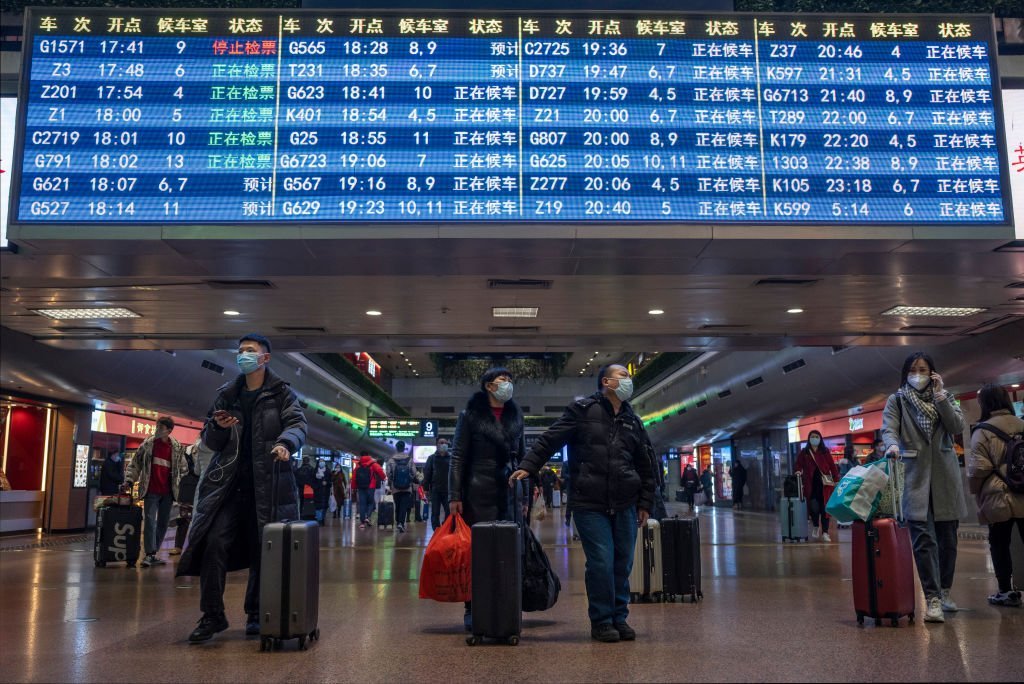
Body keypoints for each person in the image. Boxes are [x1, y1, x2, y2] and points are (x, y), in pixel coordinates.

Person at [176, 333, 307, 643]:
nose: (243, 355)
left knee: (264, 549)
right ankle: (212, 615)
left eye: (250, 350)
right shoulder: (227, 394)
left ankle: (256, 614)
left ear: (265, 358)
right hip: (229, 487)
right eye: (241, 351)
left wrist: (286, 443)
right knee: (213, 544)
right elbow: (211, 441)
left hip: (268, 484)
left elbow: (298, 424)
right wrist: (216, 427)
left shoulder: (281, 394)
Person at [511, 364, 656, 644]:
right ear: (607, 381)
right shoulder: (582, 410)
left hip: (626, 502)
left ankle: (619, 617)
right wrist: (529, 466)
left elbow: (646, 465)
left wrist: (645, 502)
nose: (628, 381)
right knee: (601, 561)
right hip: (590, 502)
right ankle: (601, 620)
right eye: (623, 376)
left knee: (622, 563)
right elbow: (549, 439)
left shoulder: (633, 421)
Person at [882, 352, 967, 624]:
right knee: (923, 539)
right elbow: (889, 429)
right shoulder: (897, 400)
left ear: (933, 373)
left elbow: (956, 425)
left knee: (948, 540)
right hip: (915, 478)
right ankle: (931, 598)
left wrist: (941, 396)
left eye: (924, 369)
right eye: (914, 369)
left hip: (944, 478)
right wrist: (892, 445)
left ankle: (944, 591)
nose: (918, 374)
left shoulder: (947, 397)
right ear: (906, 372)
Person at [449, 367, 526, 633]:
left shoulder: (517, 417)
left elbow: (523, 459)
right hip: (477, 490)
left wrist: (524, 494)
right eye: (503, 380)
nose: (508, 385)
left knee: (508, 552)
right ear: (489, 386)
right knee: (479, 553)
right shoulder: (469, 416)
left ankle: (505, 605)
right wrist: (454, 496)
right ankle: (474, 608)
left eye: (510, 381)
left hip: (509, 490)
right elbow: (457, 456)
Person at [967, 384, 1024, 608]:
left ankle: (1005, 591)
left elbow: (978, 468)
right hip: (1023, 491)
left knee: (999, 543)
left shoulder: (983, 430)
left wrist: (975, 491)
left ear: (985, 404)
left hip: (998, 493)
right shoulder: (1022, 424)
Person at [125, 416, 186, 568]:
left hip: (168, 492)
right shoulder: (147, 444)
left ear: (169, 430)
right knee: (150, 522)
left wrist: (181, 489)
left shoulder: (177, 448)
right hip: (151, 489)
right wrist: (129, 480)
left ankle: (154, 552)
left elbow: (183, 470)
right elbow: (135, 464)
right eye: (156, 426)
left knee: (163, 523)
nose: (157, 430)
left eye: (160, 427)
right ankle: (150, 554)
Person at [795, 430, 840, 543]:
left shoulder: (825, 451)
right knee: (814, 508)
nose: (815, 438)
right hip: (810, 485)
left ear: (820, 438)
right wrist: (798, 471)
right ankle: (816, 525)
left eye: (817, 436)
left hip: (825, 485)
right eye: (812, 436)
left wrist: (836, 480)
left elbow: (832, 466)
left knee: (825, 509)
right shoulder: (805, 452)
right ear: (809, 439)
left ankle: (825, 533)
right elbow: (798, 464)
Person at [171, 443, 201, 556]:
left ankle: (194, 546)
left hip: (200, 486)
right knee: (183, 518)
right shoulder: (184, 452)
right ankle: (178, 546)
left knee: (199, 519)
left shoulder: (207, 450)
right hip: (187, 487)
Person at [387, 442, 419, 533]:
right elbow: (414, 472)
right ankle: (401, 523)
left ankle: (398, 522)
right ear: (404, 448)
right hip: (407, 488)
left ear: (396, 448)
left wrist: (393, 480)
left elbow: (388, 474)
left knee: (397, 505)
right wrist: (409, 479)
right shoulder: (409, 460)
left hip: (395, 488)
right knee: (404, 506)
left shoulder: (391, 460)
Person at [351, 451, 386, 529]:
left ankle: (362, 523)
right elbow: (380, 470)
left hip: (360, 487)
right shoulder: (373, 464)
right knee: (370, 502)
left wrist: (353, 487)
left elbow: (354, 477)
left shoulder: (358, 465)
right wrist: (383, 477)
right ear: (368, 455)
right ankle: (368, 517)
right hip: (371, 486)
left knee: (362, 504)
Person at [422, 436, 452, 530]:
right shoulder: (431, 458)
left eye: (445, 443)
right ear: (437, 445)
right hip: (435, 490)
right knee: (435, 512)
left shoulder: (451, 458)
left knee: (449, 511)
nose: (443, 444)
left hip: (448, 490)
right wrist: (426, 489)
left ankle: (445, 527)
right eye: (441, 443)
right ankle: (436, 530)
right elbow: (427, 473)